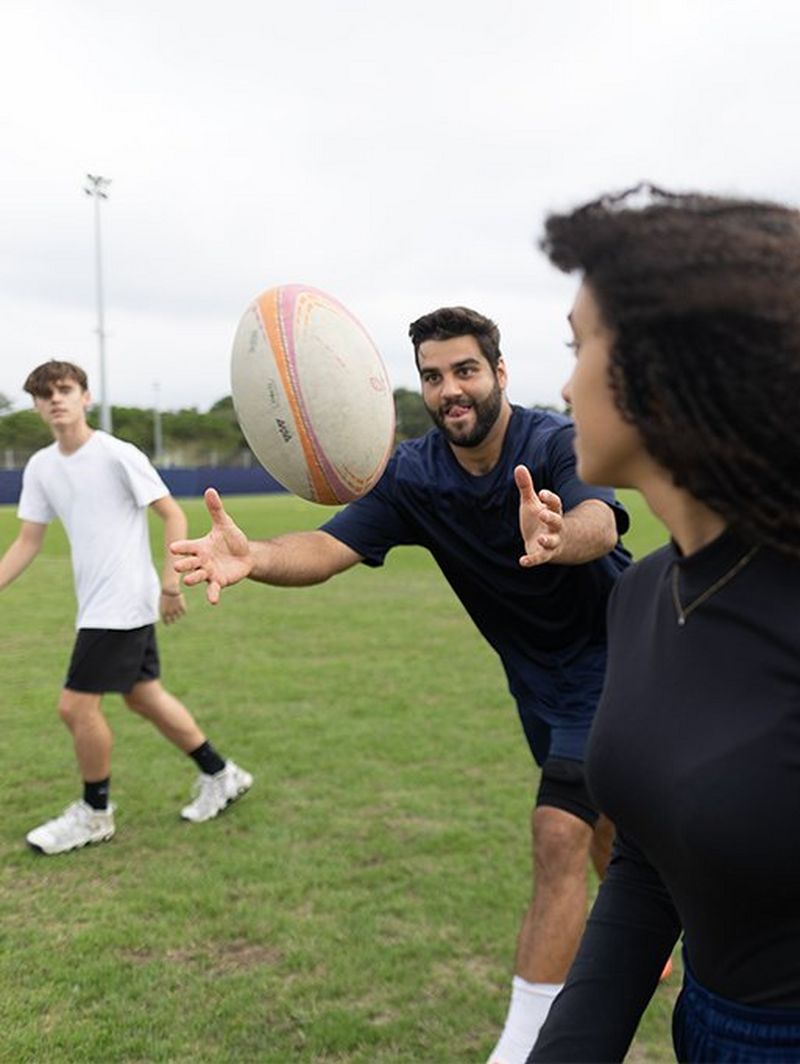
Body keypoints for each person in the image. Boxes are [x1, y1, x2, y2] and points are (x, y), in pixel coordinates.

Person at [171, 306, 631, 1063]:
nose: (450, 389)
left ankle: (522, 1049)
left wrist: (557, 535)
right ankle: (648, 938)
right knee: (604, 826)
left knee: (557, 834)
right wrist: (254, 557)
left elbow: (600, 521)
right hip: (538, 687)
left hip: (618, 662)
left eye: (466, 370)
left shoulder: (549, 442)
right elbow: (324, 546)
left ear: (500, 373)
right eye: (433, 375)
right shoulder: (414, 475)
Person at [522, 186, 800, 1063]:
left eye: (580, 345)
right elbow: (647, 861)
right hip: (707, 1033)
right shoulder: (641, 594)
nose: (563, 383)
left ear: (667, 367)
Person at [1, 360, 252, 856]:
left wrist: (171, 584)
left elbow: (172, 512)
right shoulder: (42, 467)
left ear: (85, 397)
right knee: (143, 696)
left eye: (65, 389)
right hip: (96, 601)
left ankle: (95, 813)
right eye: (44, 394)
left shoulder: (117, 454)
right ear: (34, 405)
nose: (56, 399)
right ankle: (222, 774)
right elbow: (28, 540)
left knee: (75, 707)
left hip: (122, 602)